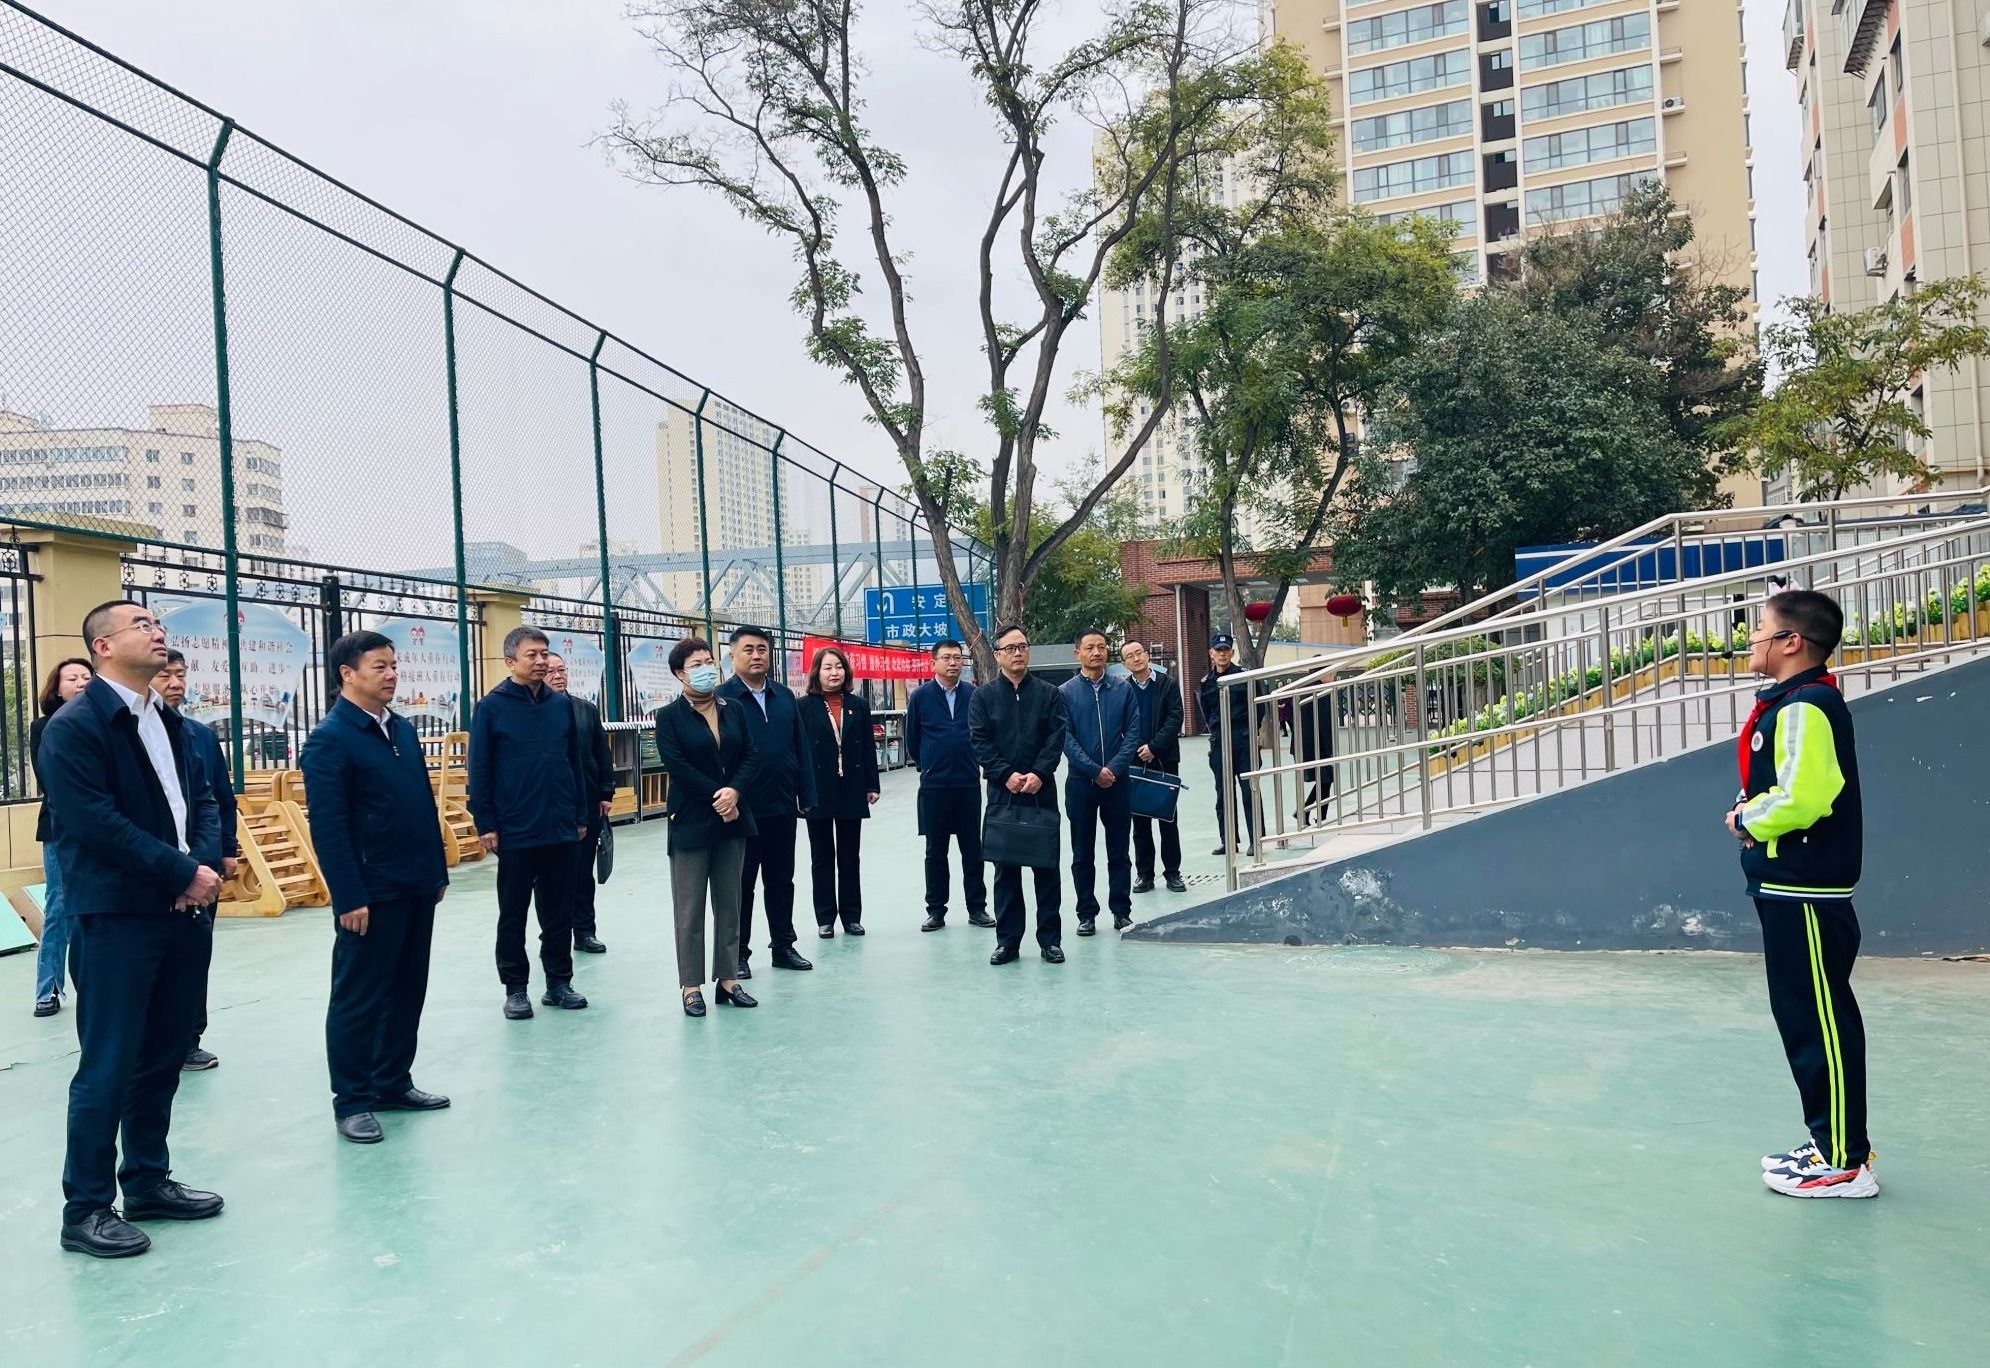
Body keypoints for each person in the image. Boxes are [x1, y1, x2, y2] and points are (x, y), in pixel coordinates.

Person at [38, 600, 224, 1258]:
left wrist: (199, 867)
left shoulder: (166, 721)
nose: (157, 632)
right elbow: (93, 822)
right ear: (104, 646)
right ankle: (86, 1208)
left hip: (181, 911)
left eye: (158, 623)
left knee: (164, 1053)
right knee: (109, 1062)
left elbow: (202, 799)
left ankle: (146, 1180)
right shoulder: (75, 726)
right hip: (117, 916)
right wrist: (180, 872)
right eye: (141, 625)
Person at [1728, 589, 1877, 1199]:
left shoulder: (1806, 706)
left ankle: (1845, 1162)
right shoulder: (1794, 703)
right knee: (1805, 1015)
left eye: (1761, 629)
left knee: (1819, 1021)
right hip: (1790, 885)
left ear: (1792, 642)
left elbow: (1805, 797)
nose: (1752, 638)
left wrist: (1746, 819)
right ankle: (1830, 1142)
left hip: (1805, 887)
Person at [301, 631, 452, 1145]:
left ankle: (392, 1081)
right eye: (379, 666)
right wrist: (349, 895)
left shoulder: (400, 729)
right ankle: (353, 1100)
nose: (392, 674)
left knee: (408, 988)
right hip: (371, 891)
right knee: (359, 997)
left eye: (394, 665)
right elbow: (330, 826)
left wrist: (436, 871)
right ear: (348, 674)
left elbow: (421, 805)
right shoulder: (330, 739)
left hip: (416, 883)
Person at [468, 626, 590, 1021]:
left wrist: (580, 814)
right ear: (510, 662)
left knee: (558, 910)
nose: (540, 661)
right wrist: (486, 822)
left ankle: (559, 983)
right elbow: (479, 769)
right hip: (515, 827)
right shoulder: (491, 707)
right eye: (531, 655)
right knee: (513, 912)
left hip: (560, 825)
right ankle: (516, 988)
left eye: (544, 653)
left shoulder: (559, 706)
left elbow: (574, 762)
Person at [653, 637, 759, 1016]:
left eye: (709, 661)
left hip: (734, 819)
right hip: (692, 821)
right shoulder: (669, 717)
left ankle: (728, 980)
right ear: (680, 674)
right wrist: (720, 797)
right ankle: (691, 986)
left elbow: (750, 755)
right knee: (690, 908)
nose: (706, 669)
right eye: (696, 664)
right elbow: (678, 766)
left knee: (730, 903)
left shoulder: (733, 709)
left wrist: (735, 792)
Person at [153, 650, 237, 1072]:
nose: (175, 684)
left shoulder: (200, 735)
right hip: (160, 868)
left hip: (203, 866)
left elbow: (219, 797)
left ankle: (189, 1038)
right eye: (165, 675)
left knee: (195, 956)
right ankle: (156, 1040)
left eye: (181, 675)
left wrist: (225, 850)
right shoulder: (137, 735)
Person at [968, 623, 1069, 966]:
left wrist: (1039, 773)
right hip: (1003, 793)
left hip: (1041, 790)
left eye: (1022, 647)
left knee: (1046, 867)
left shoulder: (1049, 694)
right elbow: (980, 741)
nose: (1017, 653)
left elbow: (1056, 737)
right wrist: (1005, 774)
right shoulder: (983, 697)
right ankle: (1008, 941)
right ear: (997, 655)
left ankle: (1050, 940)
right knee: (1005, 869)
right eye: (1010, 648)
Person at [719, 626, 817, 976]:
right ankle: (737, 954)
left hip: (781, 804)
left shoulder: (784, 696)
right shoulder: (721, 699)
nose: (756, 655)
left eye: (762, 649)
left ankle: (783, 946)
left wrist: (807, 794)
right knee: (740, 884)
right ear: (732, 655)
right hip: (740, 809)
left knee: (781, 880)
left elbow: (800, 746)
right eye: (748, 649)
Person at [905, 638, 992, 932]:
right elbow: (912, 739)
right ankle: (936, 910)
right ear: (934, 663)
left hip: (967, 783)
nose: (953, 662)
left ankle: (977, 908)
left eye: (957, 657)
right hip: (935, 786)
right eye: (946, 658)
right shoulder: (920, 697)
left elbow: (983, 733)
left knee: (973, 850)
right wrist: (928, 765)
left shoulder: (974, 694)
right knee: (935, 851)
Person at [1059, 629, 1139, 935]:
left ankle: (1121, 910)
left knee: (1119, 849)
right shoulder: (1065, 693)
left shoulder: (1122, 689)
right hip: (1081, 783)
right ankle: (1086, 913)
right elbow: (1065, 738)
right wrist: (1094, 770)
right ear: (1077, 653)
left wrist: (1113, 769)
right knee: (1082, 852)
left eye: (1102, 647)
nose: (1096, 652)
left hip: (1118, 782)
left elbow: (1132, 733)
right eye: (1090, 647)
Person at [798, 645, 881, 937]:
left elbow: (868, 746)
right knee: (821, 857)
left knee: (849, 856)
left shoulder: (858, 705)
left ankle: (851, 916)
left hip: (851, 787)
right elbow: (799, 752)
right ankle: (825, 918)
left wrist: (872, 784)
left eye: (839, 667)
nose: (834, 673)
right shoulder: (803, 706)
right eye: (828, 667)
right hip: (817, 790)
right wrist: (800, 791)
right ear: (816, 672)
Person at [29, 657, 94, 1017]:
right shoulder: (44, 727)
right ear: (56, 688)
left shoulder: (107, 721)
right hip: (60, 827)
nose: (81, 682)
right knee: (58, 906)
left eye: (87, 676)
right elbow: (49, 778)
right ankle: (48, 989)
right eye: (73, 678)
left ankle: (99, 986)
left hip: (105, 826)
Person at [545, 653, 616, 956]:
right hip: (548, 807)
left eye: (561, 670)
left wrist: (606, 792)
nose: (557, 675)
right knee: (550, 876)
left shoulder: (586, 710)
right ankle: (553, 935)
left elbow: (601, 753)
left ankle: (585, 932)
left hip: (586, 802)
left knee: (583, 872)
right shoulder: (534, 713)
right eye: (550, 671)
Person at [1119, 641, 1185, 894]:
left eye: (1139, 653)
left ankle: (1173, 873)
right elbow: (1122, 723)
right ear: (1124, 663)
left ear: (1147, 655)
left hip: (1165, 760)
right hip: (1135, 762)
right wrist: (1140, 748)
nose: (1136, 658)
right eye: (1130, 656)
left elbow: (1175, 718)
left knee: (1168, 818)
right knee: (1140, 822)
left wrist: (1154, 747)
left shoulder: (1167, 684)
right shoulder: (1122, 690)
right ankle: (1145, 875)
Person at [1196, 633, 1256, 858]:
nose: (1222, 654)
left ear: (1232, 653)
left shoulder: (1244, 675)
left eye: (1226, 650)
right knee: (1223, 793)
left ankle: (1256, 840)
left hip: (1243, 738)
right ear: (1211, 654)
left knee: (1249, 790)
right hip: (1220, 740)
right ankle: (1228, 841)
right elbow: (1207, 711)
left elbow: (1258, 706)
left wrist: (1253, 734)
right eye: (1218, 650)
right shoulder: (1206, 682)